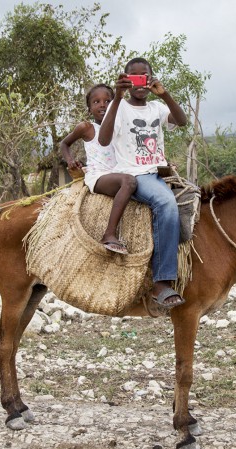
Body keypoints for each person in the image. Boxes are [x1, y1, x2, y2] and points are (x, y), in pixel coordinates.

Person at [98, 57, 189, 309]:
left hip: (158, 171)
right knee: (165, 203)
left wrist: (165, 94)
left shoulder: (157, 109)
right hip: (135, 173)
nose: (140, 82)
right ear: (126, 81)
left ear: (150, 79)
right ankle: (161, 283)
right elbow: (104, 140)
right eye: (134, 77)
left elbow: (181, 121)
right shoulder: (120, 108)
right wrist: (116, 97)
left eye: (144, 77)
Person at [60, 84, 137, 255]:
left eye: (108, 101)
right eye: (96, 102)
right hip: (99, 176)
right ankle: (109, 234)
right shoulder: (87, 128)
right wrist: (70, 160)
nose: (102, 105)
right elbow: (64, 144)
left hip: (119, 172)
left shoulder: (123, 128)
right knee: (129, 181)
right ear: (89, 109)